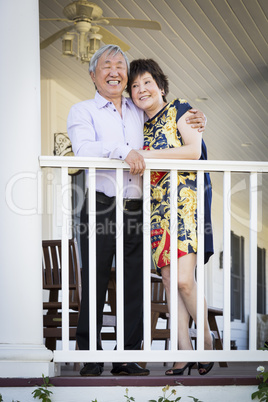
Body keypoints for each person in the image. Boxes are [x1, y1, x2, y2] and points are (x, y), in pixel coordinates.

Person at [67, 44, 207, 377]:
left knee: (133, 282)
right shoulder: (82, 110)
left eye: (120, 65)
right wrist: (123, 151)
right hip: (99, 203)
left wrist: (196, 116)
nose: (114, 71)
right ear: (93, 75)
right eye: (106, 66)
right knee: (95, 280)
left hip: (137, 206)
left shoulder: (136, 108)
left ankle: (127, 356)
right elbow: (84, 149)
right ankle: (90, 356)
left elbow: (167, 114)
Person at [126, 58, 214, 376]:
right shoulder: (139, 126)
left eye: (147, 82)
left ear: (161, 86)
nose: (141, 89)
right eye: (134, 86)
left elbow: (193, 150)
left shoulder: (180, 109)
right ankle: (183, 352)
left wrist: (146, 156)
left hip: (184, 205)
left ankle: (206, 341)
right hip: (157, 211)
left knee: (183, 281)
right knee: (167, 282)